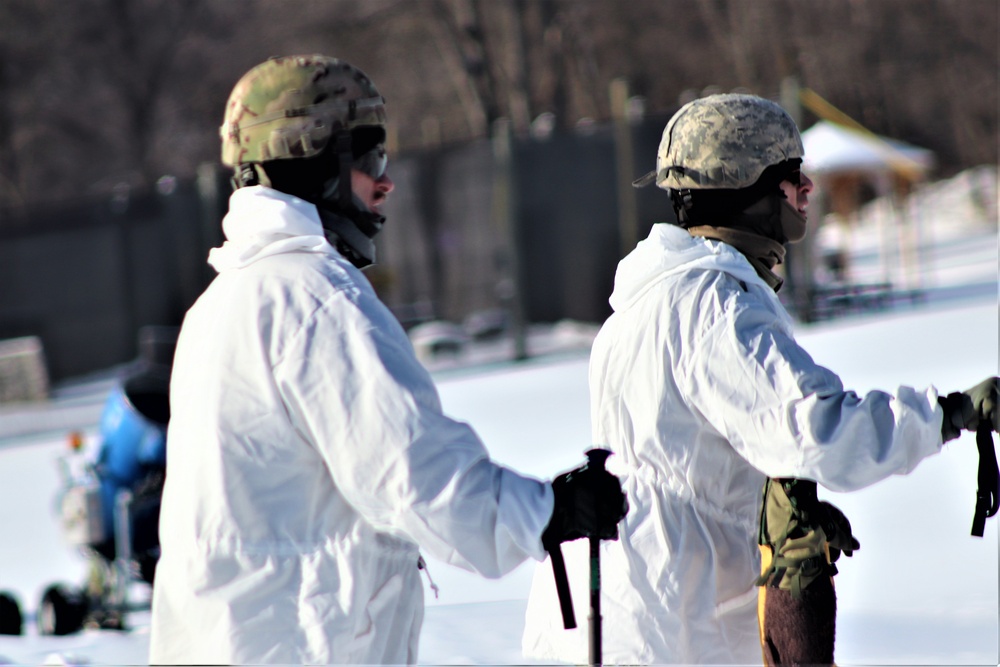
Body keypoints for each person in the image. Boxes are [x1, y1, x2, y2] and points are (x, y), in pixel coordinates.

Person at [148, 54, 627, 665]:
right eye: (371, 157)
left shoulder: (222, 303)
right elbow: (415, 476)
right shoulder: (315, 299)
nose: (386, 181)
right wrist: (550, 512)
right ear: (314, 163)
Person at [521, 93, 998, 664]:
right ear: (748, 186)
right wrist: (945, 414)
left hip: (620, 599)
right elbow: (817, 429)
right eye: (793, 175)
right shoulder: (717, 304)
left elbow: (705, 455)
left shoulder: (650, 299)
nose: (808, 190)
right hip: (673, 617)